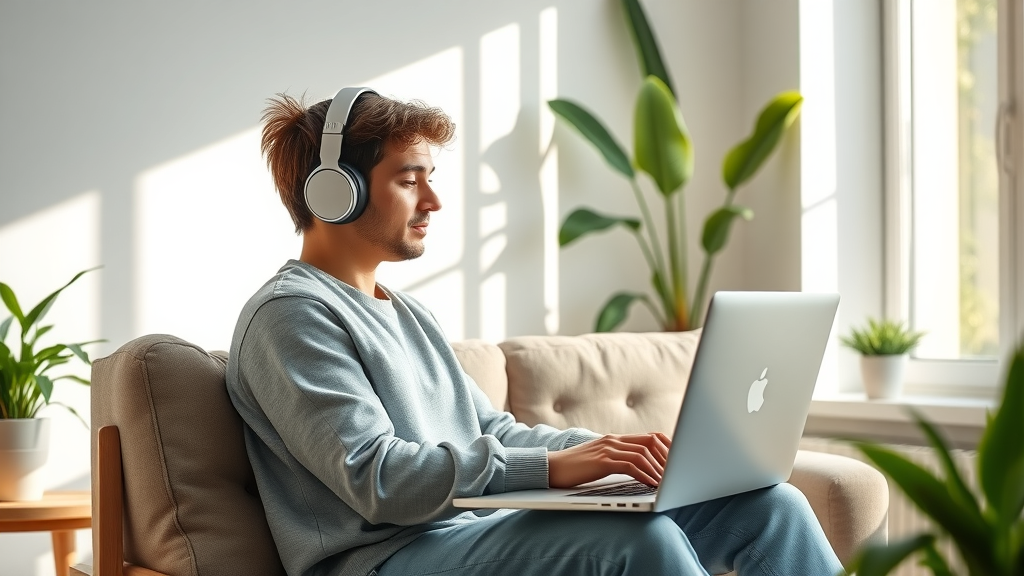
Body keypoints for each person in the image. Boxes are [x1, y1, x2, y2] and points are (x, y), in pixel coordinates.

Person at [225, 88, 846, 576]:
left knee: (770, 508)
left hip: (467, 531)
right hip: (387, 558)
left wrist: (616, 455)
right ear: (335, 192)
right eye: (410, 179)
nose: (434, 201)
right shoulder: (291, 316)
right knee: (641, 538)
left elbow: (489, 430)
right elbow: (377, 478)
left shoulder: (406, 312)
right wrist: (551, 471)